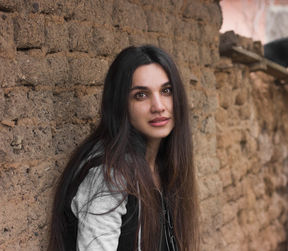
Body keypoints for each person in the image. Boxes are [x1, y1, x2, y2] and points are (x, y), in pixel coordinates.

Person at [47, 45, 199, 251]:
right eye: (141, 95)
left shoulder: (164, 165)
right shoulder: (108, 174)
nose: (158, 106)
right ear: (121, 104)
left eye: (166, 91)